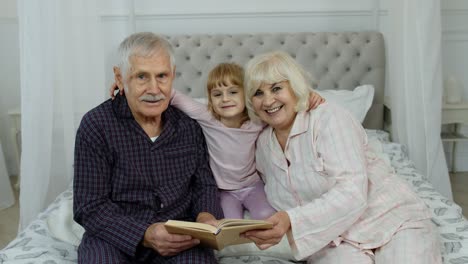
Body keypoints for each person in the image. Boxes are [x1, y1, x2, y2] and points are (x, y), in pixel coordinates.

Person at [242, 51, 442, 263]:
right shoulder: (262, 144)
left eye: (276, 88)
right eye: (258, 93)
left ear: (295, 88)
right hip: (331, 238)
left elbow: (352, 191)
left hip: (390, 219)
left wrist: (291, 219)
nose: (268, 100)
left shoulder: (329, 118)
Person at [73, 32, 224, 263]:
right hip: (114, 236)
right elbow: (89, 206)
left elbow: (204, 184)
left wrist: (205, 217)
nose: (154, 89)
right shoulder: (96, 126)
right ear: (120, 77)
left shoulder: (189, 127)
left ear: (172, 76)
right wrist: (145, 233)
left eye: (162, 76)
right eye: (141, 77)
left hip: (179, 236)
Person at [110, 62, 325, 220]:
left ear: (247, 95)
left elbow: (284, 108)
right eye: (217, 94)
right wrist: (127, 87)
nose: (225, 99)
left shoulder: (257, 122)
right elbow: (172, 95)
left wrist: (308, 95)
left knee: (265, 216)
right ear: (210, 99)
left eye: (233, 92)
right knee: (228, 225)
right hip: (223, 190)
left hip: (252, 185)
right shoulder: (208, 117)